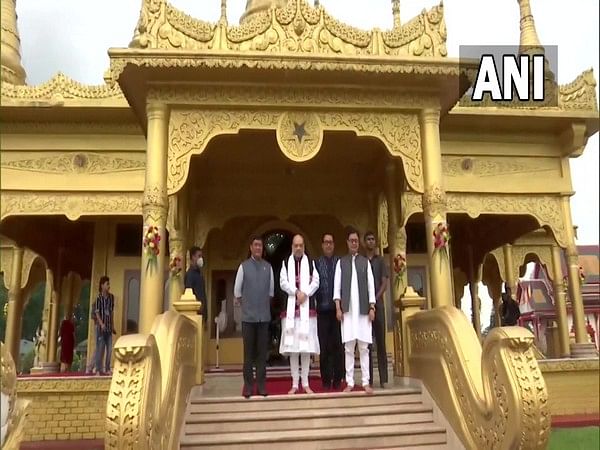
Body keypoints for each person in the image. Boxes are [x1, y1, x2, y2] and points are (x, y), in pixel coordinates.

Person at [333, 229, 376, 394]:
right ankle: (350, 382)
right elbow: (337, 288)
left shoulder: (365, 262)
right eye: (351, 240)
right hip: (348, 312)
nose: (354, 243)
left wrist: (372, 307)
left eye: (356, 241)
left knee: (364, 348)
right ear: (347, 242)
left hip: (364, 311)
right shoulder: (341, 263)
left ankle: (365, 382)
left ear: (359, 243)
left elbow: (371, 286)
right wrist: (338, 308)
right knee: (349, 348)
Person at [234, 235, 274, 398]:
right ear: (250, 247)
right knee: (248, 354)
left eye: (260, 246)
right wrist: (249, 307)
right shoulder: (243, 267)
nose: (258, 248)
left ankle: (262, 386)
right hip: (248, 319)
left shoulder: (268, 267)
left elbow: (271, 293)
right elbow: (237, 292)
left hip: (263, 318)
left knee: (262, 354)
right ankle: (249, 386)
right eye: (255, 245)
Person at [279, 234, 320, 394]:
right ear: (292, 247)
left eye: (301, 245)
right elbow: (283, 282)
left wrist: (305, 294)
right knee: (293, 349)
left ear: (304, 246)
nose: (298, 248)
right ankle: (295, 383)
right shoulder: (285, 262)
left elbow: (316, 281)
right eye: (295, 245)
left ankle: (306, 382)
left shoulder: (311, 262)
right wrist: (296, 292)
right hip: (291, 310)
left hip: (306, 311)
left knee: (305, 348)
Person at [315, 233, 344, 390]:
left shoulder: (339, 263)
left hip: (337, 312)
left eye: (331, 242)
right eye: (326, 242)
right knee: (324, 347)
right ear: (322, 245)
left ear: (334, 244)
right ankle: (326, 380)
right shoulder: (317, 263)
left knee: (337, 346)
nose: (328, 245)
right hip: (322, 311)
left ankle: (338, 379)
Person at [364, 231, 389, 388]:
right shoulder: (360, 261)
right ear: (364, 242)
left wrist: (374, 297)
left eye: (373, 239)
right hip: (364, 308)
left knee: (381, 343)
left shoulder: (380, 261)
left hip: (378, 306)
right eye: (368, 239)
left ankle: (384, 380)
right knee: (367, 344)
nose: (371, 242)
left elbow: (384, 282)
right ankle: (369, 380)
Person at [94, 276, 115, 375]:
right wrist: (101, 324)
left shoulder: (111, 297)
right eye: (107, 284)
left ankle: (107, 368)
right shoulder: (98, 299)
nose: (109, 286)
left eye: (109, 284)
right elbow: (97, 313)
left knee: (110, 349)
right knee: (100, 349)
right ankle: (98, 369)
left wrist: (112, 325)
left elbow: (111, 312)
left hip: (109, 327)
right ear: (102, 286)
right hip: (101, 328)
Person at [185, 246, 207, 316]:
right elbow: (189, 294)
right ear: (193, 257)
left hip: (202, 313)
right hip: (195, 312)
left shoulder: (199, 274)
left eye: (201, 256)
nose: (201, 259)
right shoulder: (190, 275)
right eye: (199, 256)